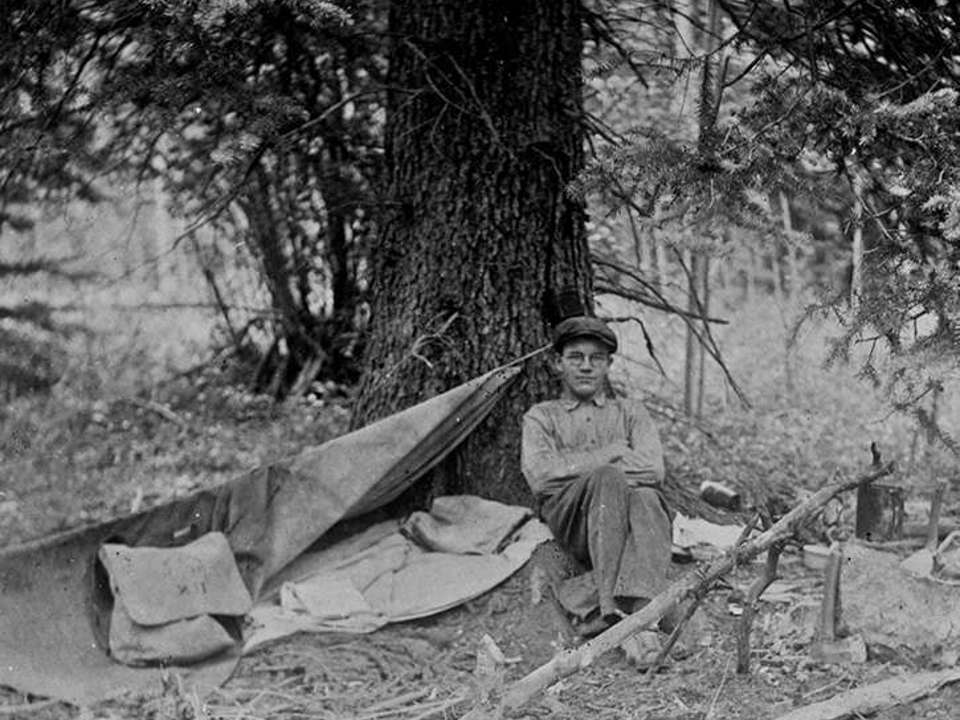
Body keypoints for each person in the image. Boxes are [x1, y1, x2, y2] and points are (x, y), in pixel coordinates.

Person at [521, 315, 673, 663]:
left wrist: (578, 467)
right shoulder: (542, 417)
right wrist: (612, 455)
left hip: (628, 521)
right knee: (608, 477)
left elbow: (654, 470)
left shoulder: (630, 413)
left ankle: (640, 619)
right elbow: (542, 477)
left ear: (609, 365)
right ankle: (611, 609)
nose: (586, 367)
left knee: (648, 496)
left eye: (596, 358)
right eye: (576, 357)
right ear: (558, 363)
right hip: (572, 522)